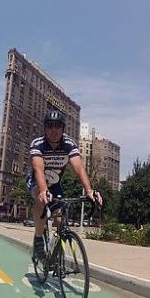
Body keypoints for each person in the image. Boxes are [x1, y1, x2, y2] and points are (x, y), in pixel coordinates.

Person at [27, 110, 103, 259]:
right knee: (41, 200)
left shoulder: (69, 144)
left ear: (63, 128)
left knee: (60, 220)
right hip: (37, 181)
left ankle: (54, 248)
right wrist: (43, 190)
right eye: (50, 126)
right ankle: (38, 238)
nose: (53, 130)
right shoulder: (38, 144)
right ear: (45, 128)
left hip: (55, 184)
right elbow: (38, 169)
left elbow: (78, 168)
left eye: (57, 126)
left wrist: (89, 191)